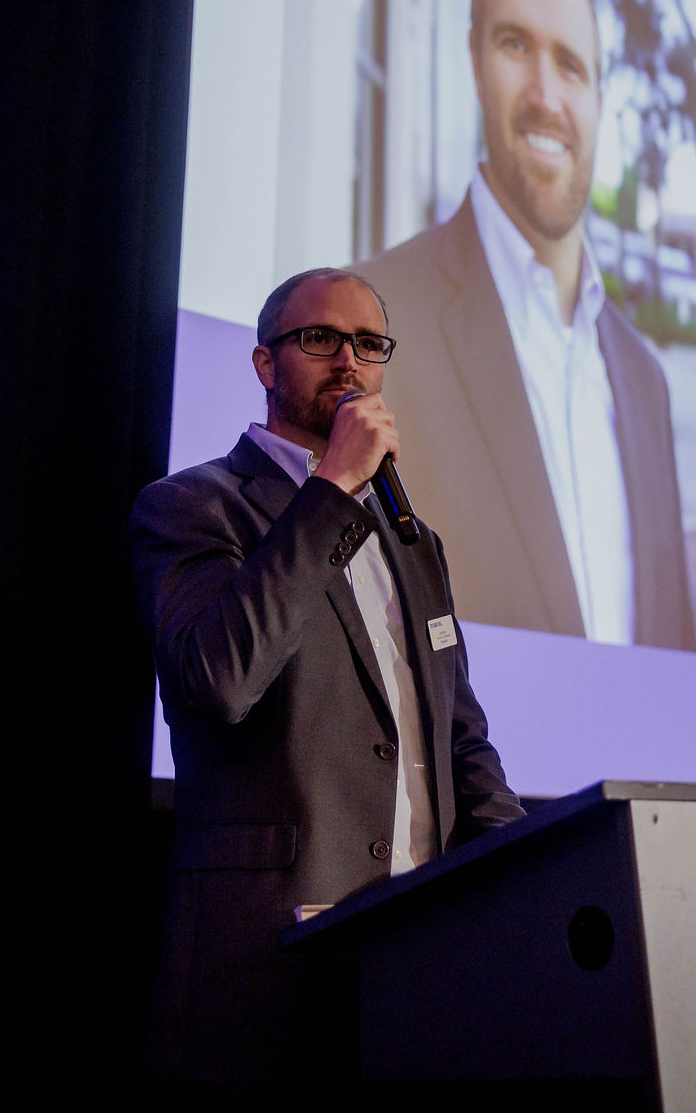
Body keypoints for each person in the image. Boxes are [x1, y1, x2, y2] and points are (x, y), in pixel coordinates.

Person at [131, 267, 524, 1084]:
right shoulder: (193, 505)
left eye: (369, 344)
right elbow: (221, 676)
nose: (349, 360)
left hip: (422, 953)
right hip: (266, 958)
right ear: (264, 363)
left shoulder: (416, 542)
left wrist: (528, 874)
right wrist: (334, 485)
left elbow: (461, 735)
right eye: (320, 339)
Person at [355, 0, 696, 651]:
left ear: (599, 96)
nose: (546, 93)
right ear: (475, 58)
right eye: (516, 45)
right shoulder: (376, 327)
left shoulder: (647, 383)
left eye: (571, 64)